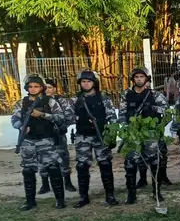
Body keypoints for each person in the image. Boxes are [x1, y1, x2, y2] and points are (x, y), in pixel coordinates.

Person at [12, 74, 67, 210]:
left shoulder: (50, 101)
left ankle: (60, 200)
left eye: (36, 86)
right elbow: (14, 119)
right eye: (30, 86)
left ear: (41, 87)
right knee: (28, 171)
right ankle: (30, 201)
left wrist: (43, 115)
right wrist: (21, 126)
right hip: (28, 142)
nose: (33, 89)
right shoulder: (22, 103)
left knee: (53, 169)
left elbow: (60, 118)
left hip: (46, 140)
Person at [118, 67, 169, 204]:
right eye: (136, 77)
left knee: (154, 162)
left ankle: (156, 192)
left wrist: (152, 109)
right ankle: (131, 194)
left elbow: (166, 111)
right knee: (130, 163)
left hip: (150, 132)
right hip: (133, 132)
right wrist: (125, 129)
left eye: (141, 77)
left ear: (146, 79)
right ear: (133, 79)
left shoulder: (154, 95)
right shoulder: (126, 94)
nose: (139, 79)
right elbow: (122, 113)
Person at [70, 70, 119, 207]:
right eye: (83, 82)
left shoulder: (103, 98)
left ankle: (110, 196)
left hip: (101, 136)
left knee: (105, 165)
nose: (86, 84)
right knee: (82, 166)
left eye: (88, 81)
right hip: (82, 137)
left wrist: (112, 136)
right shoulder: (75, 99)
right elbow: (68, 117)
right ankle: (83, 197)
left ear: (94, 83)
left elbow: (112, 118)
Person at [41, 78, 76, 193]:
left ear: (55, 89)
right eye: (45, 87)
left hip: (58, 135)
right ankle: (45, 184)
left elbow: (69, 117)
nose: (47, 90)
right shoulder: (39, 100)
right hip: (43, 136)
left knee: (63, 158)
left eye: (50, 87)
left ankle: (67, 182)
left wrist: (59, 126)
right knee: (43, 160)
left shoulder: (61, 101)